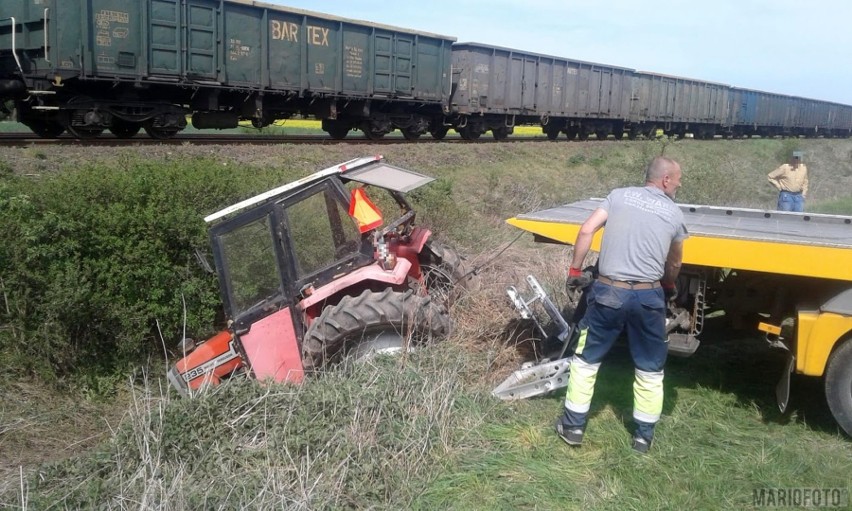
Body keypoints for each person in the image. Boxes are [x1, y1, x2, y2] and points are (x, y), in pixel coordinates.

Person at [555, 156, 688, 453]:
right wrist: (667, 285)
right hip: (648, 296)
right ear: (666, 180)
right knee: (650, 369)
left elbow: (587, 230)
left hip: (607, 293)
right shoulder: (674, 213)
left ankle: (573, 427)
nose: (679, 183)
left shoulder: (617, 196)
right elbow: (676, 260)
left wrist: (576, 272)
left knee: (586, 362)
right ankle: (643, 437)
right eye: (678, 178)